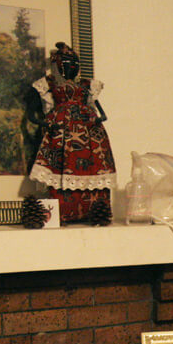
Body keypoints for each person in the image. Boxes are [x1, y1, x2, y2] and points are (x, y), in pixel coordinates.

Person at [27, 41, 116, 223]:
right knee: (59, 167)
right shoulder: (48, 85)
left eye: (74, 64)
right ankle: (63, 212)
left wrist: (97, 120)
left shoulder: (88, 86)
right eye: (66, 64)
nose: (71, 68)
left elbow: (102, 113)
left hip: (91, 134)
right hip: (61, 133)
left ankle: (94, 211)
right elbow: (31, 114)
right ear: (57, 66)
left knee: (94, 167)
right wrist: (47, 124)